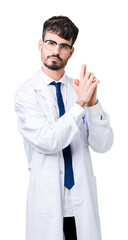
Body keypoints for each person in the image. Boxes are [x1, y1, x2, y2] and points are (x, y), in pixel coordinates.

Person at [14, 16, 114, 240]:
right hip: (48, 205)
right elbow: (50, 141)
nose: (55, 50)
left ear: (71, 51)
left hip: (81, 205)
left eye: (63, 46)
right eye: (50, 43)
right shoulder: (26, 94)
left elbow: (103, 144)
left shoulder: (80, 90)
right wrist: (80, 105)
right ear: (40, 45)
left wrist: (92, 104)